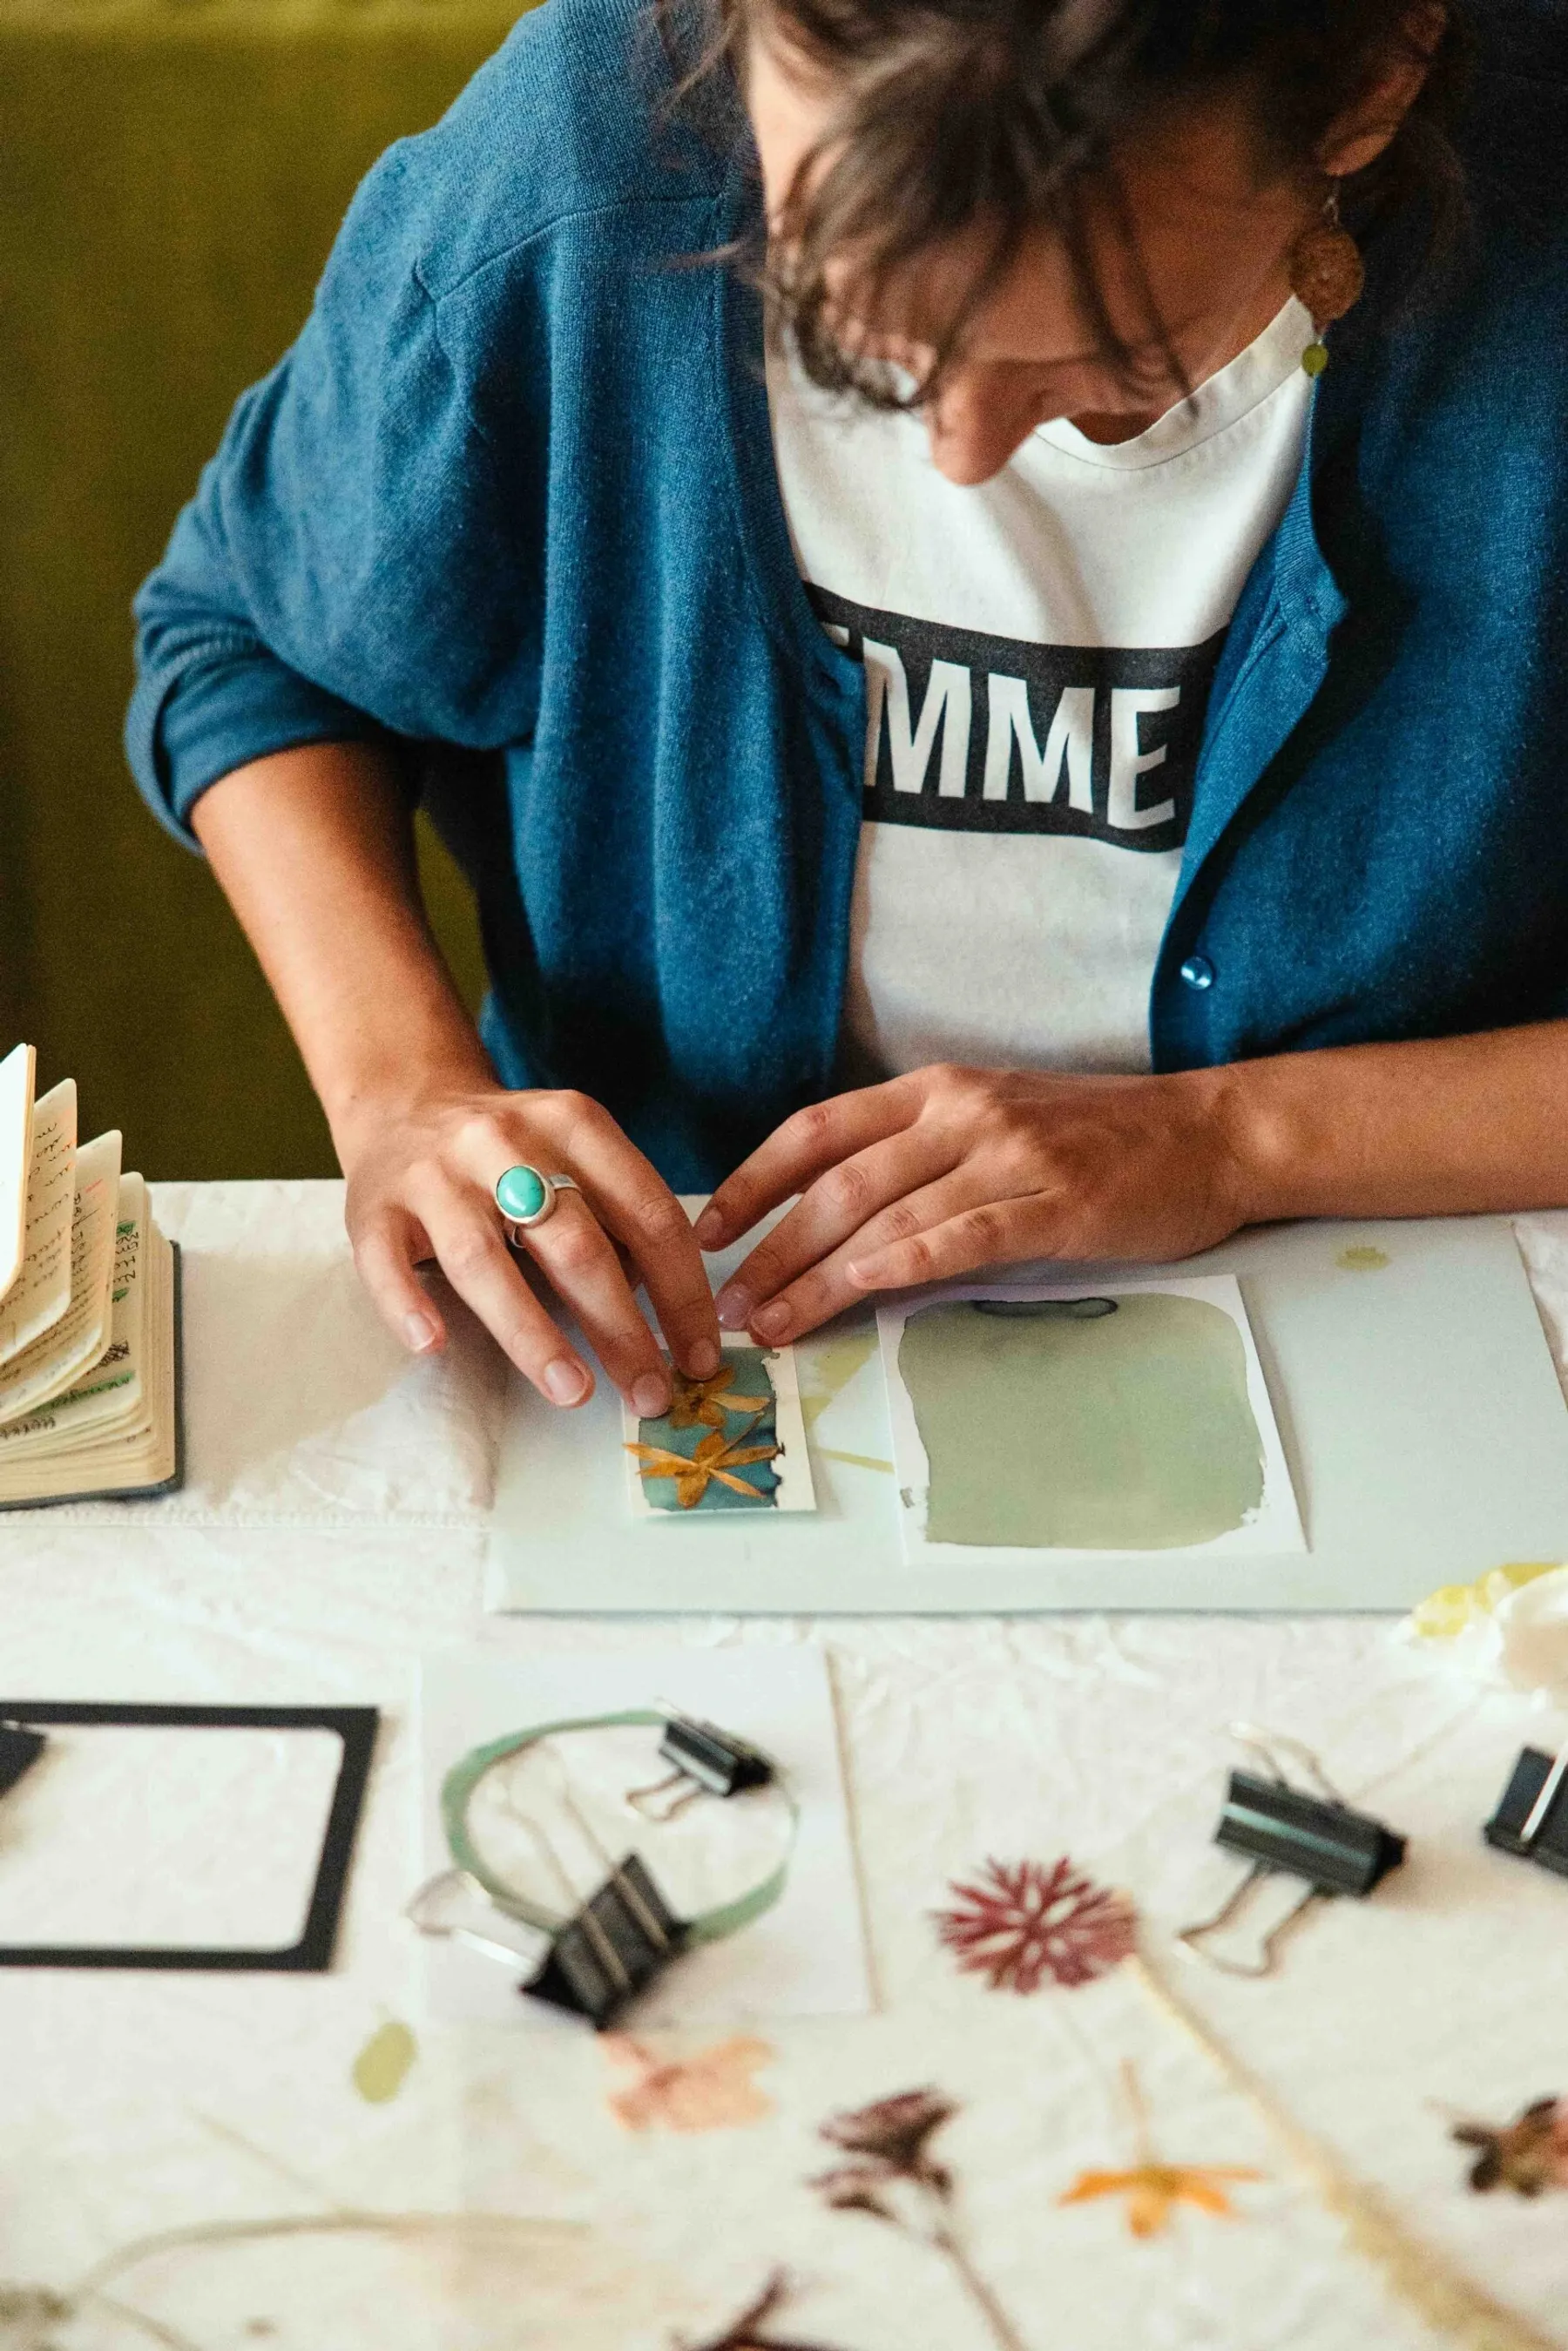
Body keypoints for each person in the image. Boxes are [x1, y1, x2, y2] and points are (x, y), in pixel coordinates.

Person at [128, 0, 1568, 1425]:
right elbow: (256, 639)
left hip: (1421, 1337)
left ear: (1368, 94)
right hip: (675, 1318)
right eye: (842, 331)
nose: (957, 455)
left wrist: (1235, 1142)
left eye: (1108, 369)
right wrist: (400, 1093)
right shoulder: (579, 173)